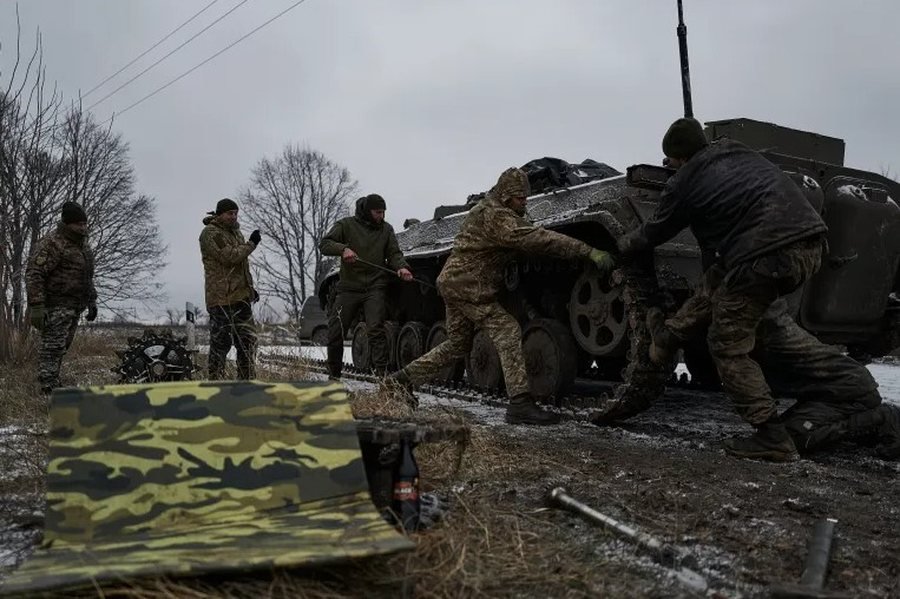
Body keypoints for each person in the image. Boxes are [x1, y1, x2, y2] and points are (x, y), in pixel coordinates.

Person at [616, 116, 829, 461]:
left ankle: (771, 436)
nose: (668, 166)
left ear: (679, 157)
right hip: (810, 243)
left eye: (670, 160)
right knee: (720, 285)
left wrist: (621, 246)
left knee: (726, 343)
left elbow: (654, 232)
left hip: (763, 254)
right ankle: (668, 337)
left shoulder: (684, 181)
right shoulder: (735, 150)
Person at [386, 167, 615, 425]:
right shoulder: (496, 216)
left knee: (457, 345)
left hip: (456, 283)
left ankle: (400, 380)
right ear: (506, 196)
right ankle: (519, 404)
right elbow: (538, 238)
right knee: (508, 331)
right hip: (469, 286)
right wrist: (587, 251)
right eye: (520, 198)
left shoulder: (491, 209)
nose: (524, 202)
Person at [319, 193, 413, 378]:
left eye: (384, 212)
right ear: (368, 211)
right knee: (336, 331)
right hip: (348, 287)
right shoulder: (346, 225)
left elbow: (394, 253)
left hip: (375, 287)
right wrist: (343, 249)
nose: (382, 216)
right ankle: (334, 377)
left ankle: (383, 379)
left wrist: (401, 267)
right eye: (378, 212)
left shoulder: (386, 230)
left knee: (376, 330)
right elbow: (324, 244)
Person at [26, 202, 98, 394]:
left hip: (75, 306)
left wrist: (92, 301)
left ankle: (52, 380)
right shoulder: (53, 243)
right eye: (78, 224)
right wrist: (37, 306)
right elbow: (35, 273)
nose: (83, 227)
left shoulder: (84, 248)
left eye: (84, 223)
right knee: (52, 346)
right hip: (56, 304)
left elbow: (87, 276)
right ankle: (47, 388)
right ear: (67, 224)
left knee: (62, 346)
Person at [199, 198, 261, 380]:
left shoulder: (236, 233)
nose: (233, 217)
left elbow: (241, 266)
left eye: (236, 213)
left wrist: (249, 289)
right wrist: (251, 244)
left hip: (240, 298)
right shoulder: (211, 233)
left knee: (247, 342)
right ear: (219, 214)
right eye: (229, 213)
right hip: (221, 299)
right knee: (221, 344)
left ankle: (246, 384)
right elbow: (230, 257)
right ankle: (215, 383)